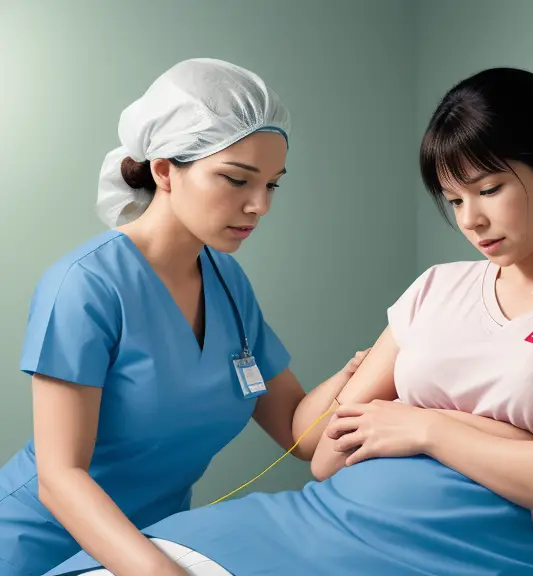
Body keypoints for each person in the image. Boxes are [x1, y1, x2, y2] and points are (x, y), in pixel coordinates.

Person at [47, 66, 533, 576]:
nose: (470, 221)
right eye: (453, 199)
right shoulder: (436, 290)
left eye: (489, 190)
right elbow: (329, 454)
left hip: (481, 551)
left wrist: (426, 426)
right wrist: (508, 441)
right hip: (320, 520)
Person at [0, 58, 369, 576]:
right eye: (237, 179)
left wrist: (379, 359)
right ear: (165, 170)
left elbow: (298, 433)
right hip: (34, 550)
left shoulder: (226, 281)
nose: (259, 205)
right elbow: (60, 478)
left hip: (156, 548)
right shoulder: (85, 286)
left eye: (272, 185)